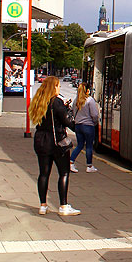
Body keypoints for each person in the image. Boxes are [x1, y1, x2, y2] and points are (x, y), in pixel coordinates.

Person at [29, 76, 79, 216]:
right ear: (53, 87)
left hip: (41, 141)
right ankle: (63, 206)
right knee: (63, 173)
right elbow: (67, 121)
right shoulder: (56, 102)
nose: (59, 88)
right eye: (58, 86)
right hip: (57, 142)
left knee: (44, 173)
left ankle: (43, 205)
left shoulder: (39, 101)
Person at [70, 83, 100, 173]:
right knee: (89, 146)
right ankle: (89, 165)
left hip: (78, 126)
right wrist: (95, 122)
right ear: (87, 90)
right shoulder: (90, 100)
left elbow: (73, 111)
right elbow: (94, 115)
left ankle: (71, 162)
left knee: (80, 145)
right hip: (88, 126)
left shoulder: (76, 100)